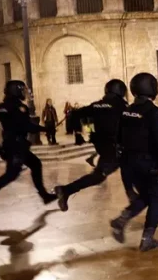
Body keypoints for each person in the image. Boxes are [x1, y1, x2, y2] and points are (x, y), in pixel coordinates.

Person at [109, 73, 158, 251]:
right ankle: (147, 239)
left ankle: (122, 219)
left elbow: (118, 138)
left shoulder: (127, 111)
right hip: (148, 165)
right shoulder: (153, 112)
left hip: (129, 164)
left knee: (145, 196)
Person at [0, 81, 56, 217]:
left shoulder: (2, 106)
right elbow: (27, 126)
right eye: (22, 90)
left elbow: (4, 118)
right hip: (17, 146)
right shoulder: (20, 107)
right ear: (16, 91)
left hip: (10, 145)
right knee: (11, 174)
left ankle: (44, 195)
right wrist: (46, 129)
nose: (24, 93)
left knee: (35, 164)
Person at [54, 80, 130, 212]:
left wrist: (84, 132)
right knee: (100, 175)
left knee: (103, 174)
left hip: (103, 147)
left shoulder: (97, 105)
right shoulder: (121, 106)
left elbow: (75, 114)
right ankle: (65, 190)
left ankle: (66, 190)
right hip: (115, 148)